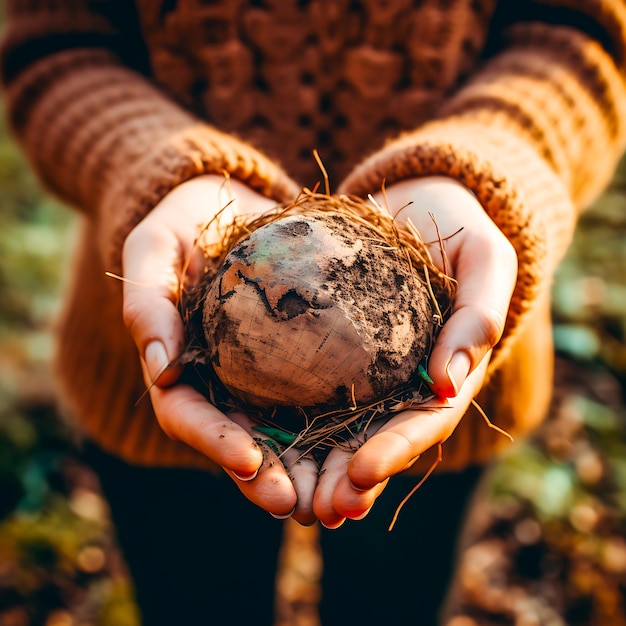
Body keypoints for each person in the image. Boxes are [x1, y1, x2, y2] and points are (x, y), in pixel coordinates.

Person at [2, 1, 625, 624]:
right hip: (162, 321)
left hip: (435, 368)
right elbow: (55, 45)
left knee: (392, 603)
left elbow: (585, 38)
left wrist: (484, 164)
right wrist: (151, 167)